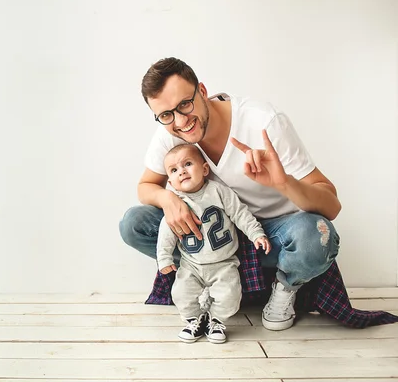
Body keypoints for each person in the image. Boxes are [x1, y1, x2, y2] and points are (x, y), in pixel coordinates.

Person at [120, 57, 342, 331]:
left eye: (184, 105)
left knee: (318, 236)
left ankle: (284, 287)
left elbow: (331, 205)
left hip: (272, 239)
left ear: (202, 91)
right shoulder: (170, 132)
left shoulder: (264, 121)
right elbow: (146, 186)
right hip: (211, 240)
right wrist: (169, 199)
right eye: (166, 115)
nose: (180, 121)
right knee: (133, 223)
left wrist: (284, 183)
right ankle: (202, 276)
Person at [157, 143, 270, 343]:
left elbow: (240, 213)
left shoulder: (219, 191)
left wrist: (256, 234)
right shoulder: (175, 202)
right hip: (191, 263)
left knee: (230, 297)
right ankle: (194, 319)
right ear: (170, 181)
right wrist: (164, 259)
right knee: (180, 293)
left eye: (188, 164)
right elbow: (166, 233)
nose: (181, 172)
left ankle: (216, 320)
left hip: (224, 262)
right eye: (174, 170)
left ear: (205, 169)